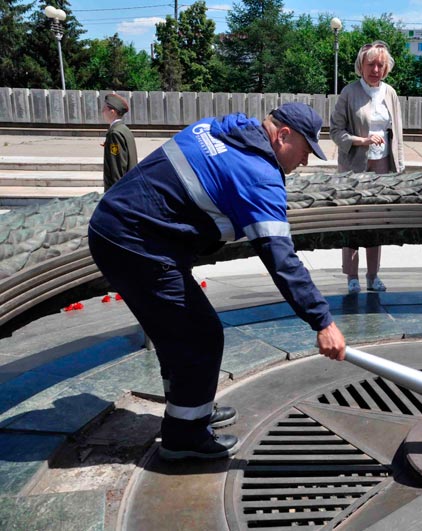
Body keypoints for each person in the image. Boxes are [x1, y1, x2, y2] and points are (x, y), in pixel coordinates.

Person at [88, 103, 347, 461]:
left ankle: (192, 406)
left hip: (124, 229)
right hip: (135, 245)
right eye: (305, 151)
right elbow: (281, 259)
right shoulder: (257, 174)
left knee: (176, 334)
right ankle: (184, 437)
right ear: (283, 135)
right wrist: (323, 321)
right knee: (201, 336)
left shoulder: (219, 128)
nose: (304, 162)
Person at [330, 40, 405, 294]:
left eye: (380, 65)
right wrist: (360, 141)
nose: (375, 69)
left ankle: (373, 276)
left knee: (376, 222)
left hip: (382, 164)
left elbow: (398, 135)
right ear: (360, 66)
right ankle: (352, 276)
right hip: (354, 166)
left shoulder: (390, 93)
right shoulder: (348, 93)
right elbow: (335, 131)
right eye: (370, 64)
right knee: (353, 221)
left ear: (386, 68)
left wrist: (400, 167)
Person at [101, 93, 138, 191]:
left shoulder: (115, 133)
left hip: (118, 192)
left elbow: (117, 167)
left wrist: (115, 194)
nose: (102, 111)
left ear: (112, 112)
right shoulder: (124, 129)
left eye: (104, 108)